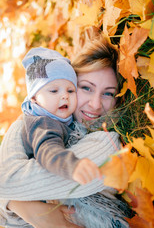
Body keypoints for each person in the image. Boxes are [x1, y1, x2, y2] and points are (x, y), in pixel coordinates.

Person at [0, 33, 133, 228]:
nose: (96, 105)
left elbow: (7, 182)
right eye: (86, 88)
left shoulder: (107, 144)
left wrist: (19, 207)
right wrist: (21, 208)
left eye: (108, 93)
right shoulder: (40, 123)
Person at [19, 47, 101, 185]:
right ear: (34, 98)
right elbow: (48, 150)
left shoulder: (56, 115)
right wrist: (72, 166)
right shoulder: (43, 123)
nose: (64, 96)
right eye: (53, 90)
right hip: (42, 188)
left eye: (70, 90)